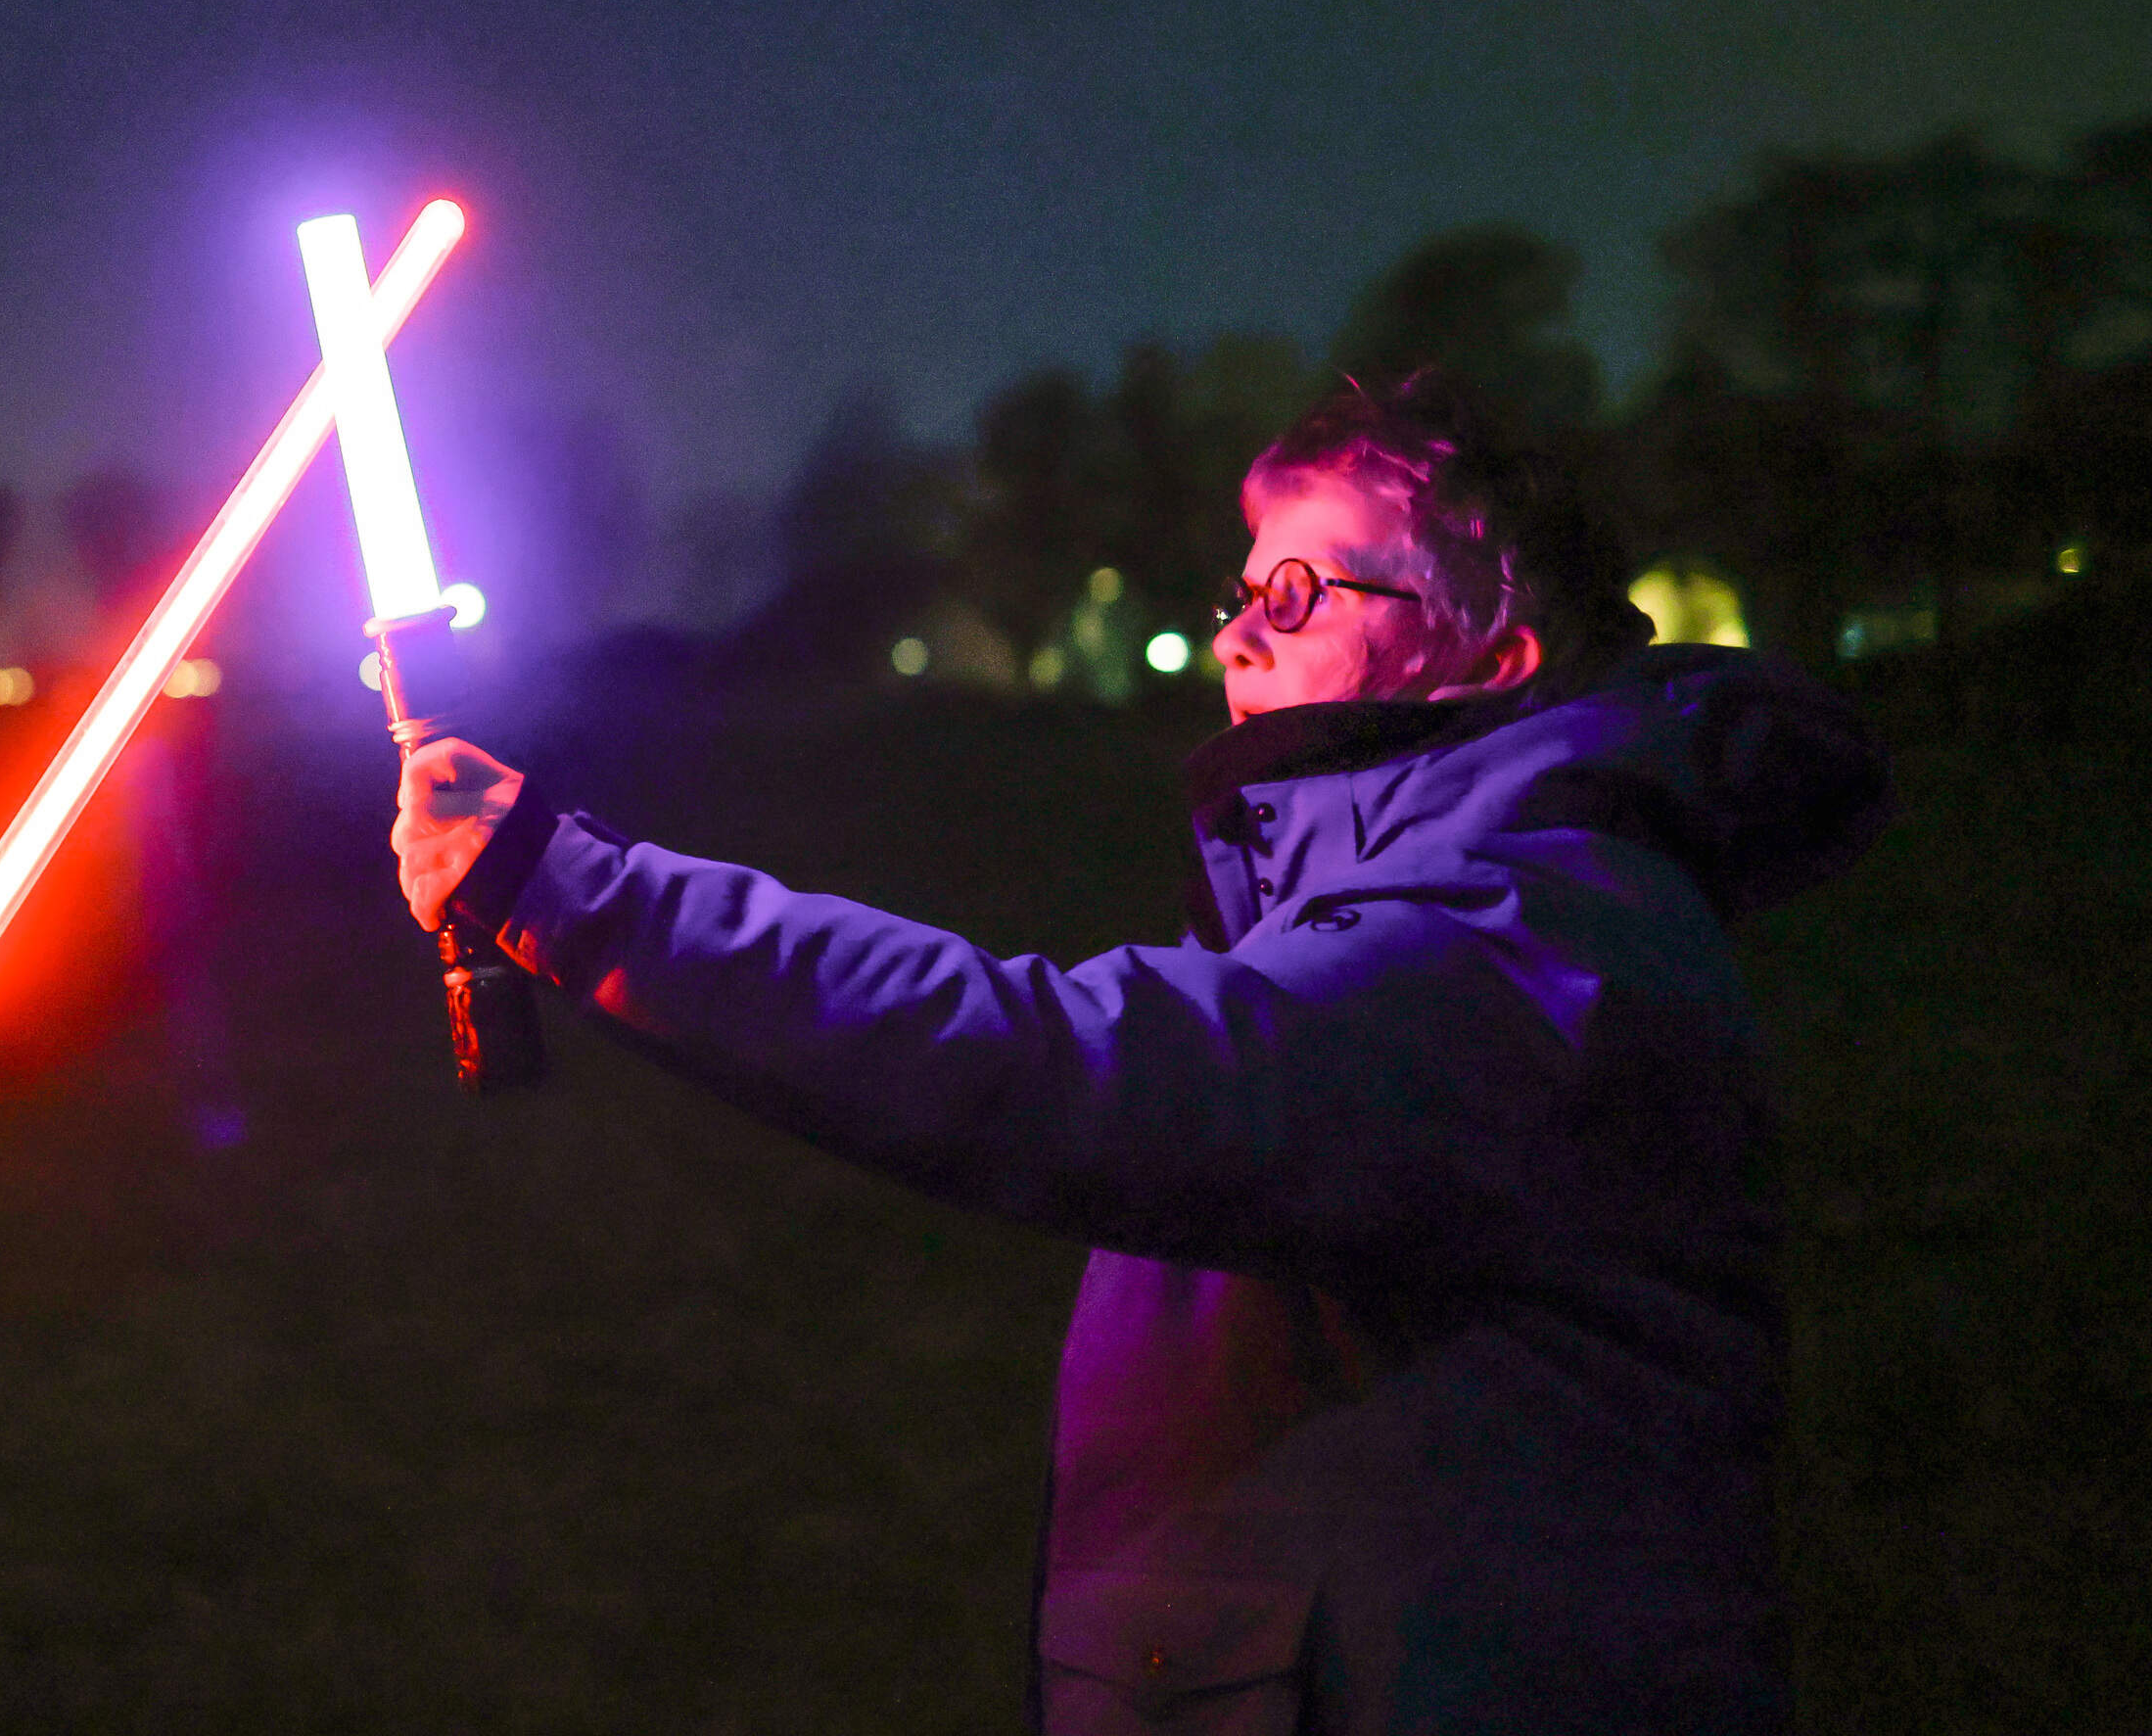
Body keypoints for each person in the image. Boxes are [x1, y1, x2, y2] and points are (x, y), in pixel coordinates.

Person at [390, 374, 1887, 1733]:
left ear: (1493, 646)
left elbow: (1065, 1068)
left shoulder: (1528, 943)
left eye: (1298, 591)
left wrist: (569, 888)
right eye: (1244, 588)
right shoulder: (1413, 910)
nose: (1237, 633)